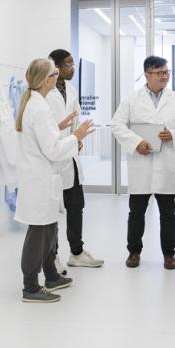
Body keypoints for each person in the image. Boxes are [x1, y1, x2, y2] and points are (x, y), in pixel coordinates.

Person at [14, 58, 94, 303]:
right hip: (39, 179)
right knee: (39, 232)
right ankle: (30, 287)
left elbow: (45, 137)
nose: (58, 76)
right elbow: (52, 150)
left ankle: (51, 275)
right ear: (47, 79)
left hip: (43, 178)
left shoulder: (37, 104)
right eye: (55, 73)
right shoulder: (38, 107)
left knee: (49, 228)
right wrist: (75, 137)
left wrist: (58, 127)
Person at [111, 56, 175, 269]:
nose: (165, 76)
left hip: (166, 164)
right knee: (136, 212)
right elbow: (117, 124)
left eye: (167, 72)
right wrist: (136, 142)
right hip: (141, 163)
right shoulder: (131, 99)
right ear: (147, 74)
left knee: (168, 213)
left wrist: (172, 134)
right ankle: (134, 252)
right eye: (160, 73)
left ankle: (169, 255)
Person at [46, 49, 104, 274]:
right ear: (57, 67)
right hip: (52, 158)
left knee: (76, 206)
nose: (73, 69)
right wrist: (70, 138)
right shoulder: (43, 93)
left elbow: (75, 117)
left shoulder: (70, 89)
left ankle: (77, 253)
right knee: (51, 212)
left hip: (70, 156)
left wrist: (76, 139)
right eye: (69, 65)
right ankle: (53, 257)